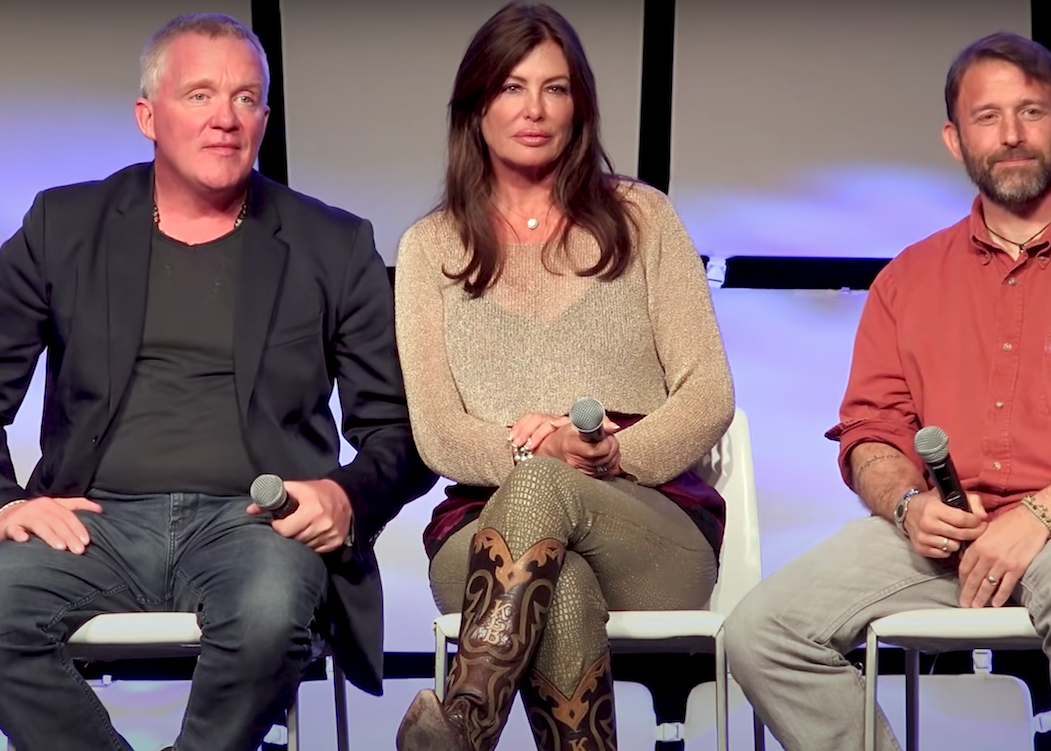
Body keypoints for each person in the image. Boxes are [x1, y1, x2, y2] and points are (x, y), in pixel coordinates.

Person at [724, 31, 1051, 751]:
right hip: (957, 537)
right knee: (762, 633)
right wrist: (907, 504)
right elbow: (869, 430)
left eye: (1031, 111)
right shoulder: (908, 279)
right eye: (987, 117)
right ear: (955, 139)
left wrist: (1041, 513)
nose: (1011, 135)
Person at [0, 12, 435, 751]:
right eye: (200, 95)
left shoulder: (332, 242)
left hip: (255, 525)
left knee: (269, 613)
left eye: (246, 99)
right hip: (94, 522)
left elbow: (402, 430)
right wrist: (6, 503)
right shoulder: (63, 225)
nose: (226, 119)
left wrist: (346, 495)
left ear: (265, 117)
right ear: (148, 115)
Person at [391, 3, 734, 750]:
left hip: (646, 523)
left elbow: (710, 394)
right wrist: (529, 454)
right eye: (513, 88)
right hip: (481, 536)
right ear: (477, 106)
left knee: (547, 488)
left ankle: (464, 724)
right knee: (562, 584)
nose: (535, 109)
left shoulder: (643, 218)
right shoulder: (428, 249)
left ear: (579, 105)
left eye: (556, 88)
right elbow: (437, 431)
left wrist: (610, 455)